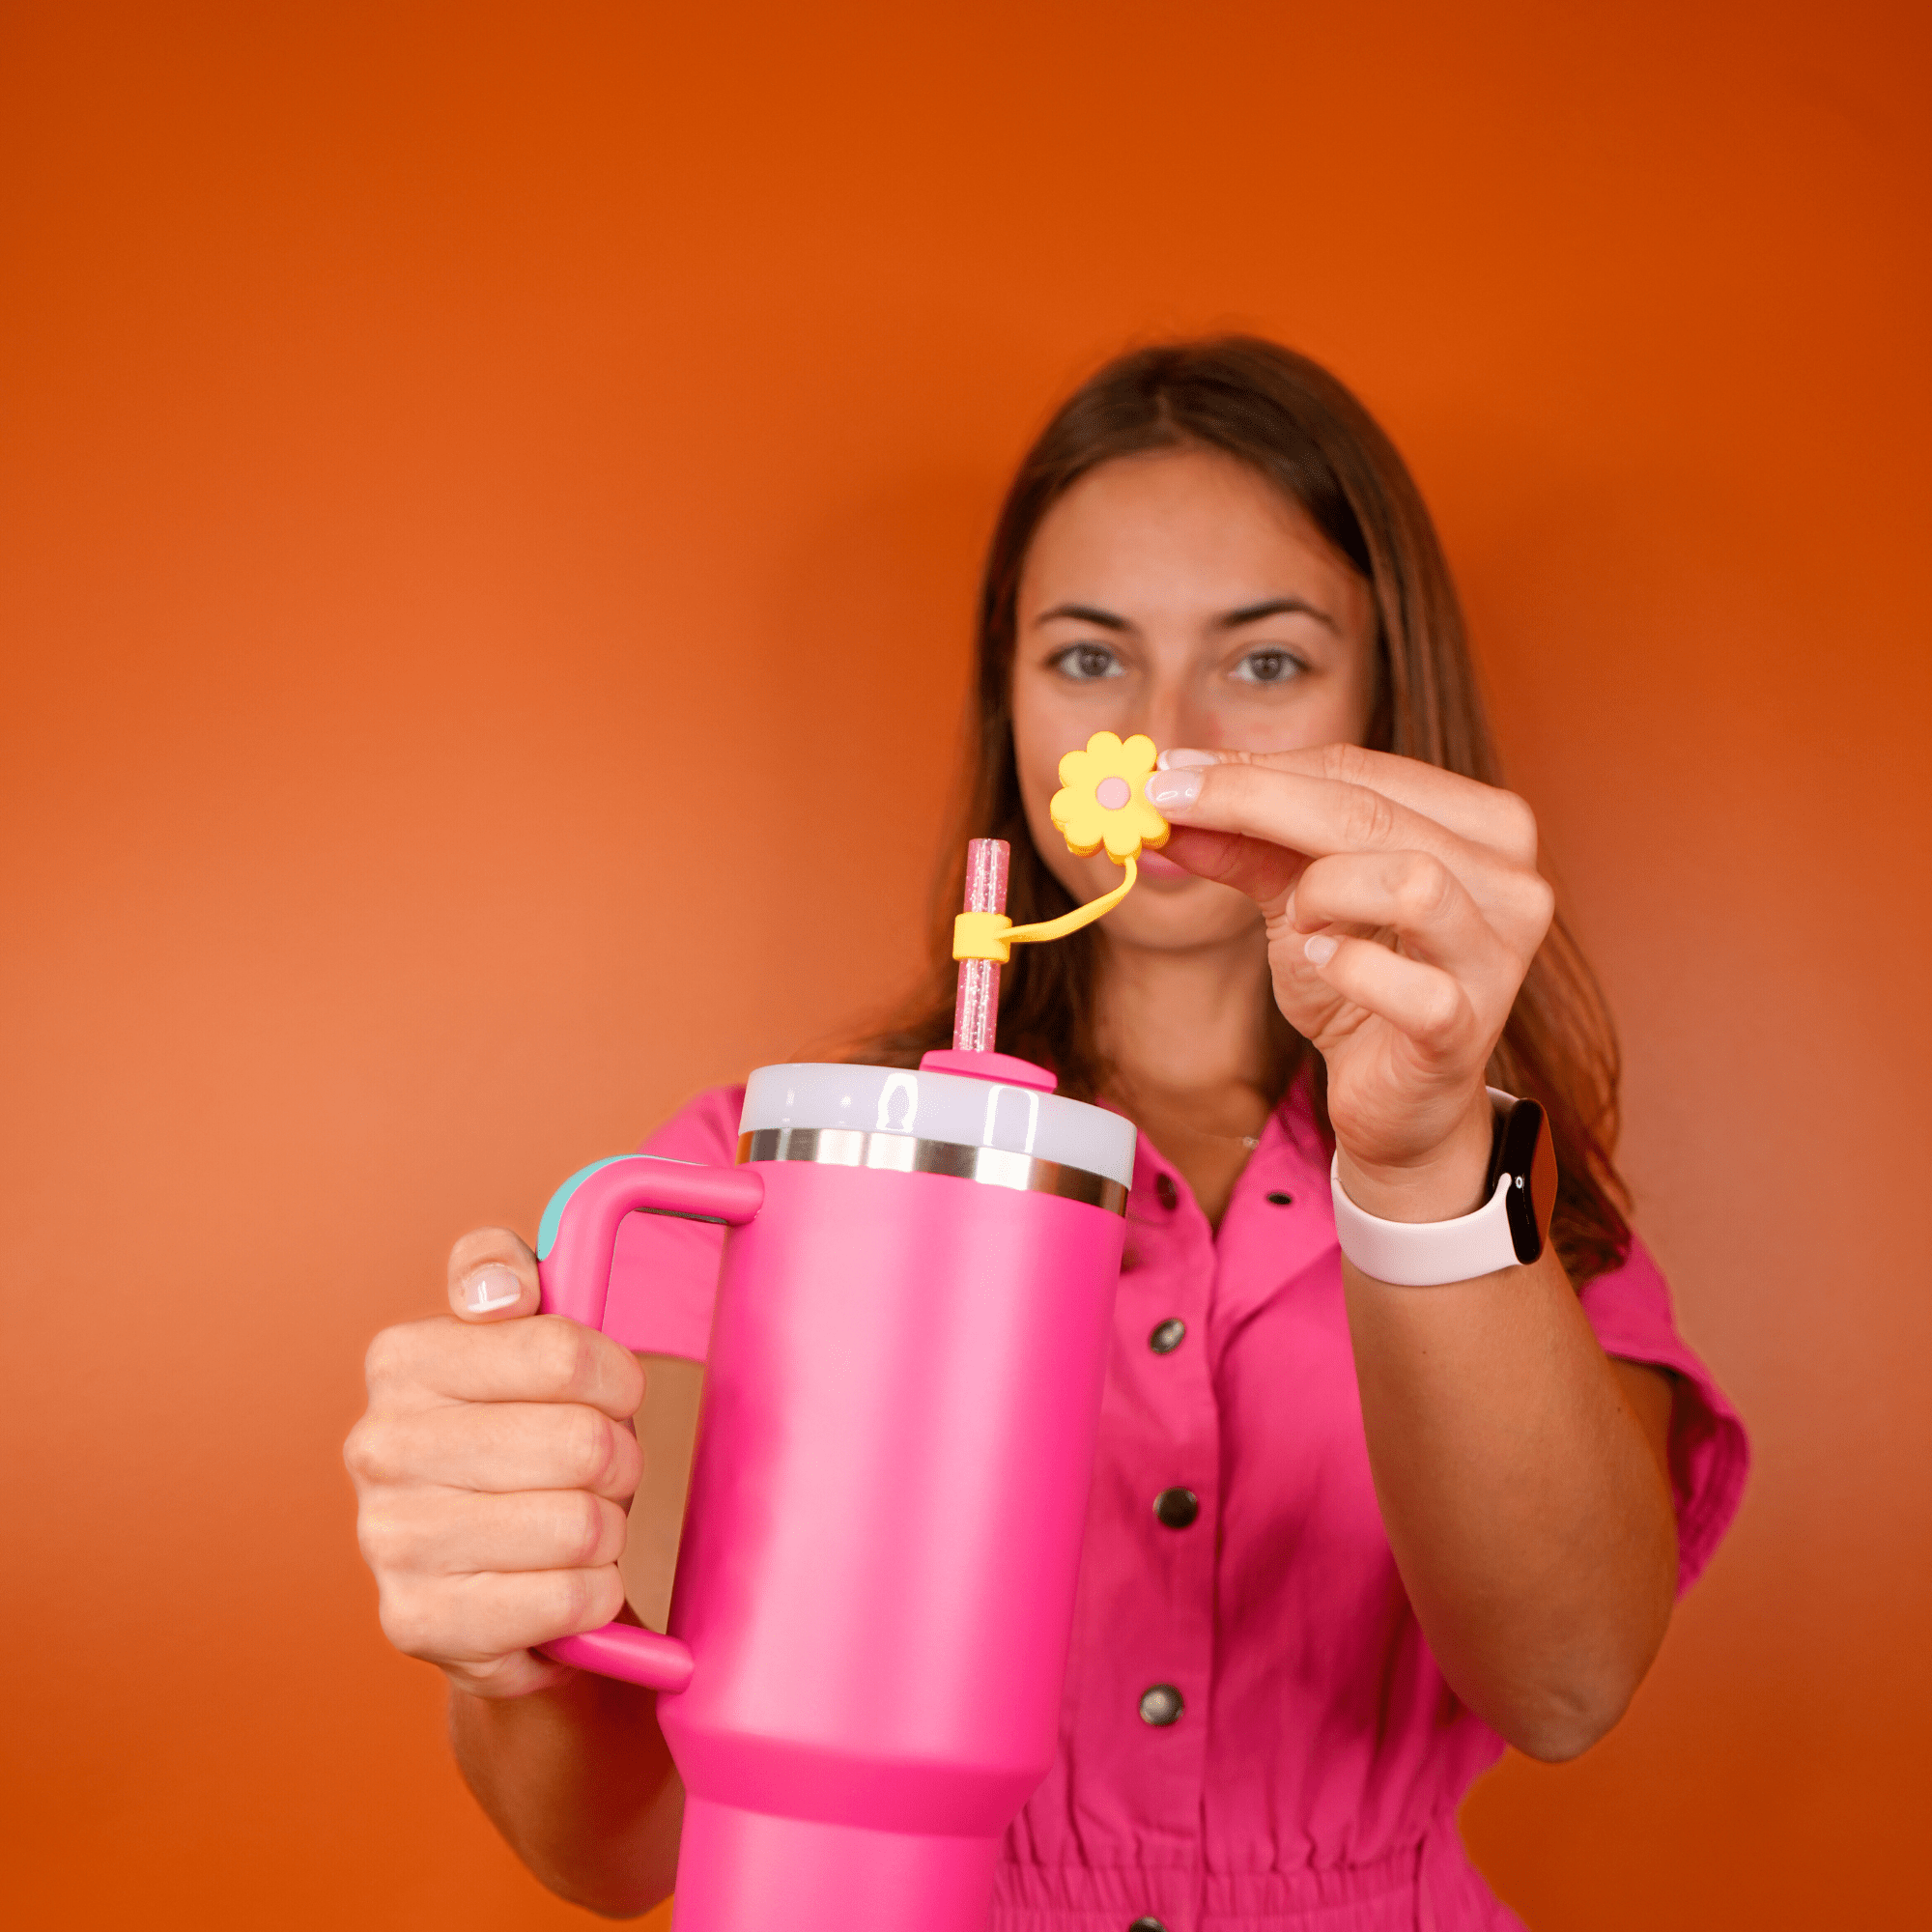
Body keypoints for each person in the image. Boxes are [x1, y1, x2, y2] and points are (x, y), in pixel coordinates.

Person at [345, 338, 1747, 1928]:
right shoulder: (770, 1168)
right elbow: (617, 1852)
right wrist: (511, 1629)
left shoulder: (1500, 1181)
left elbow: (1566, 1688)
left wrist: (1423, 1167)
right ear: (1006, 695)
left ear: (1385, 697)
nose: (1162, 734)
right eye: (1088, 659)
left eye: (1266, 664)